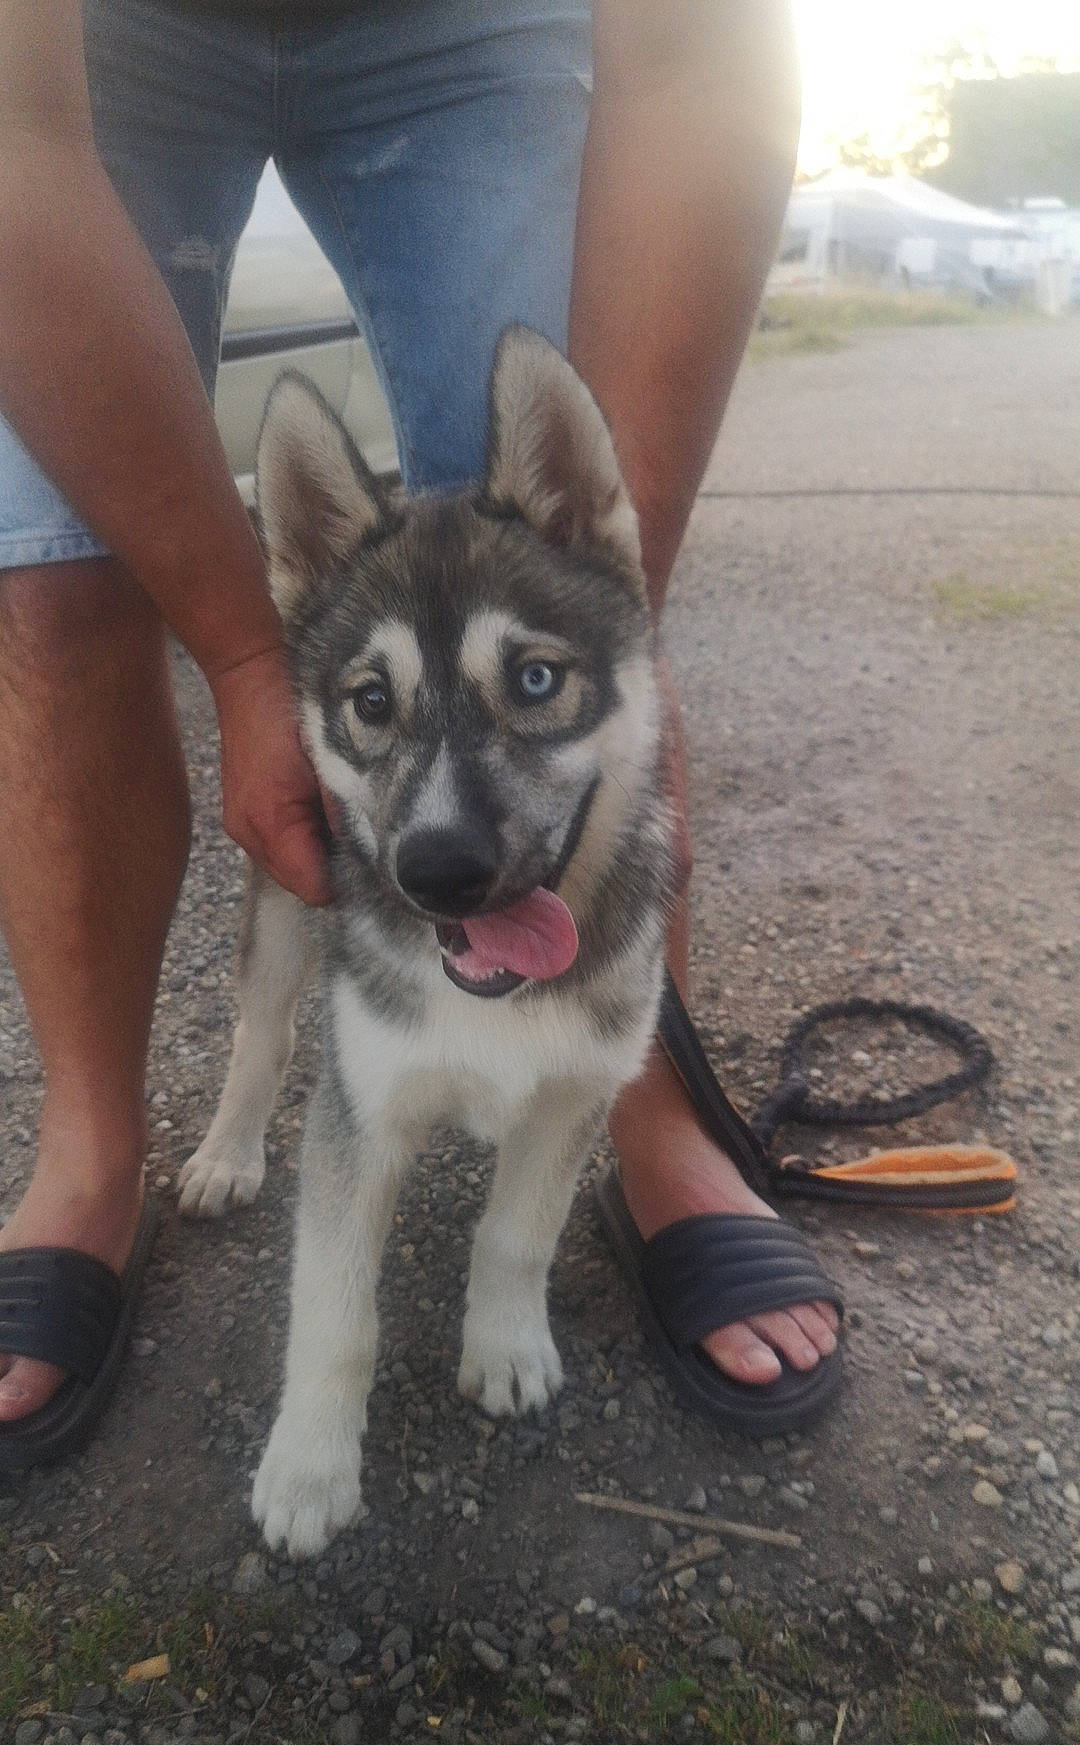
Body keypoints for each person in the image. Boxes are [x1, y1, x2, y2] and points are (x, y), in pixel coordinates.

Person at [0, 0, 840, 1464]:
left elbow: (704, 53)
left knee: (554, 594)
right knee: (59, 591)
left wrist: (601, 580)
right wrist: (253, 657)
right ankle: (88, 1149)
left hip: (479, 18)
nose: (446, 836)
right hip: (84, 42)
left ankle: (658, 1127)